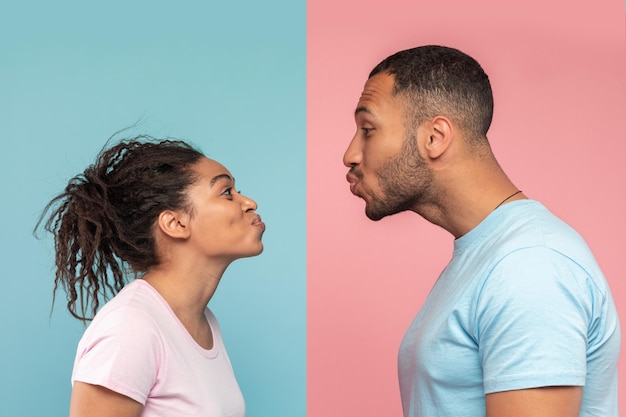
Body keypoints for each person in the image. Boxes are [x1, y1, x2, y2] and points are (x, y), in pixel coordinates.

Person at [343, 45, 620, 416]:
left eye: (368, 130)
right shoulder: (491, 255)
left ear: (435, 137)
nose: (351, 154)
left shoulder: (530, 266)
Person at [38, 136, 265, 417]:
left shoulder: (204, 321)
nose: (249, 203)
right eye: (227, 192)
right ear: (175, 223)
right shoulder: (131, 326)